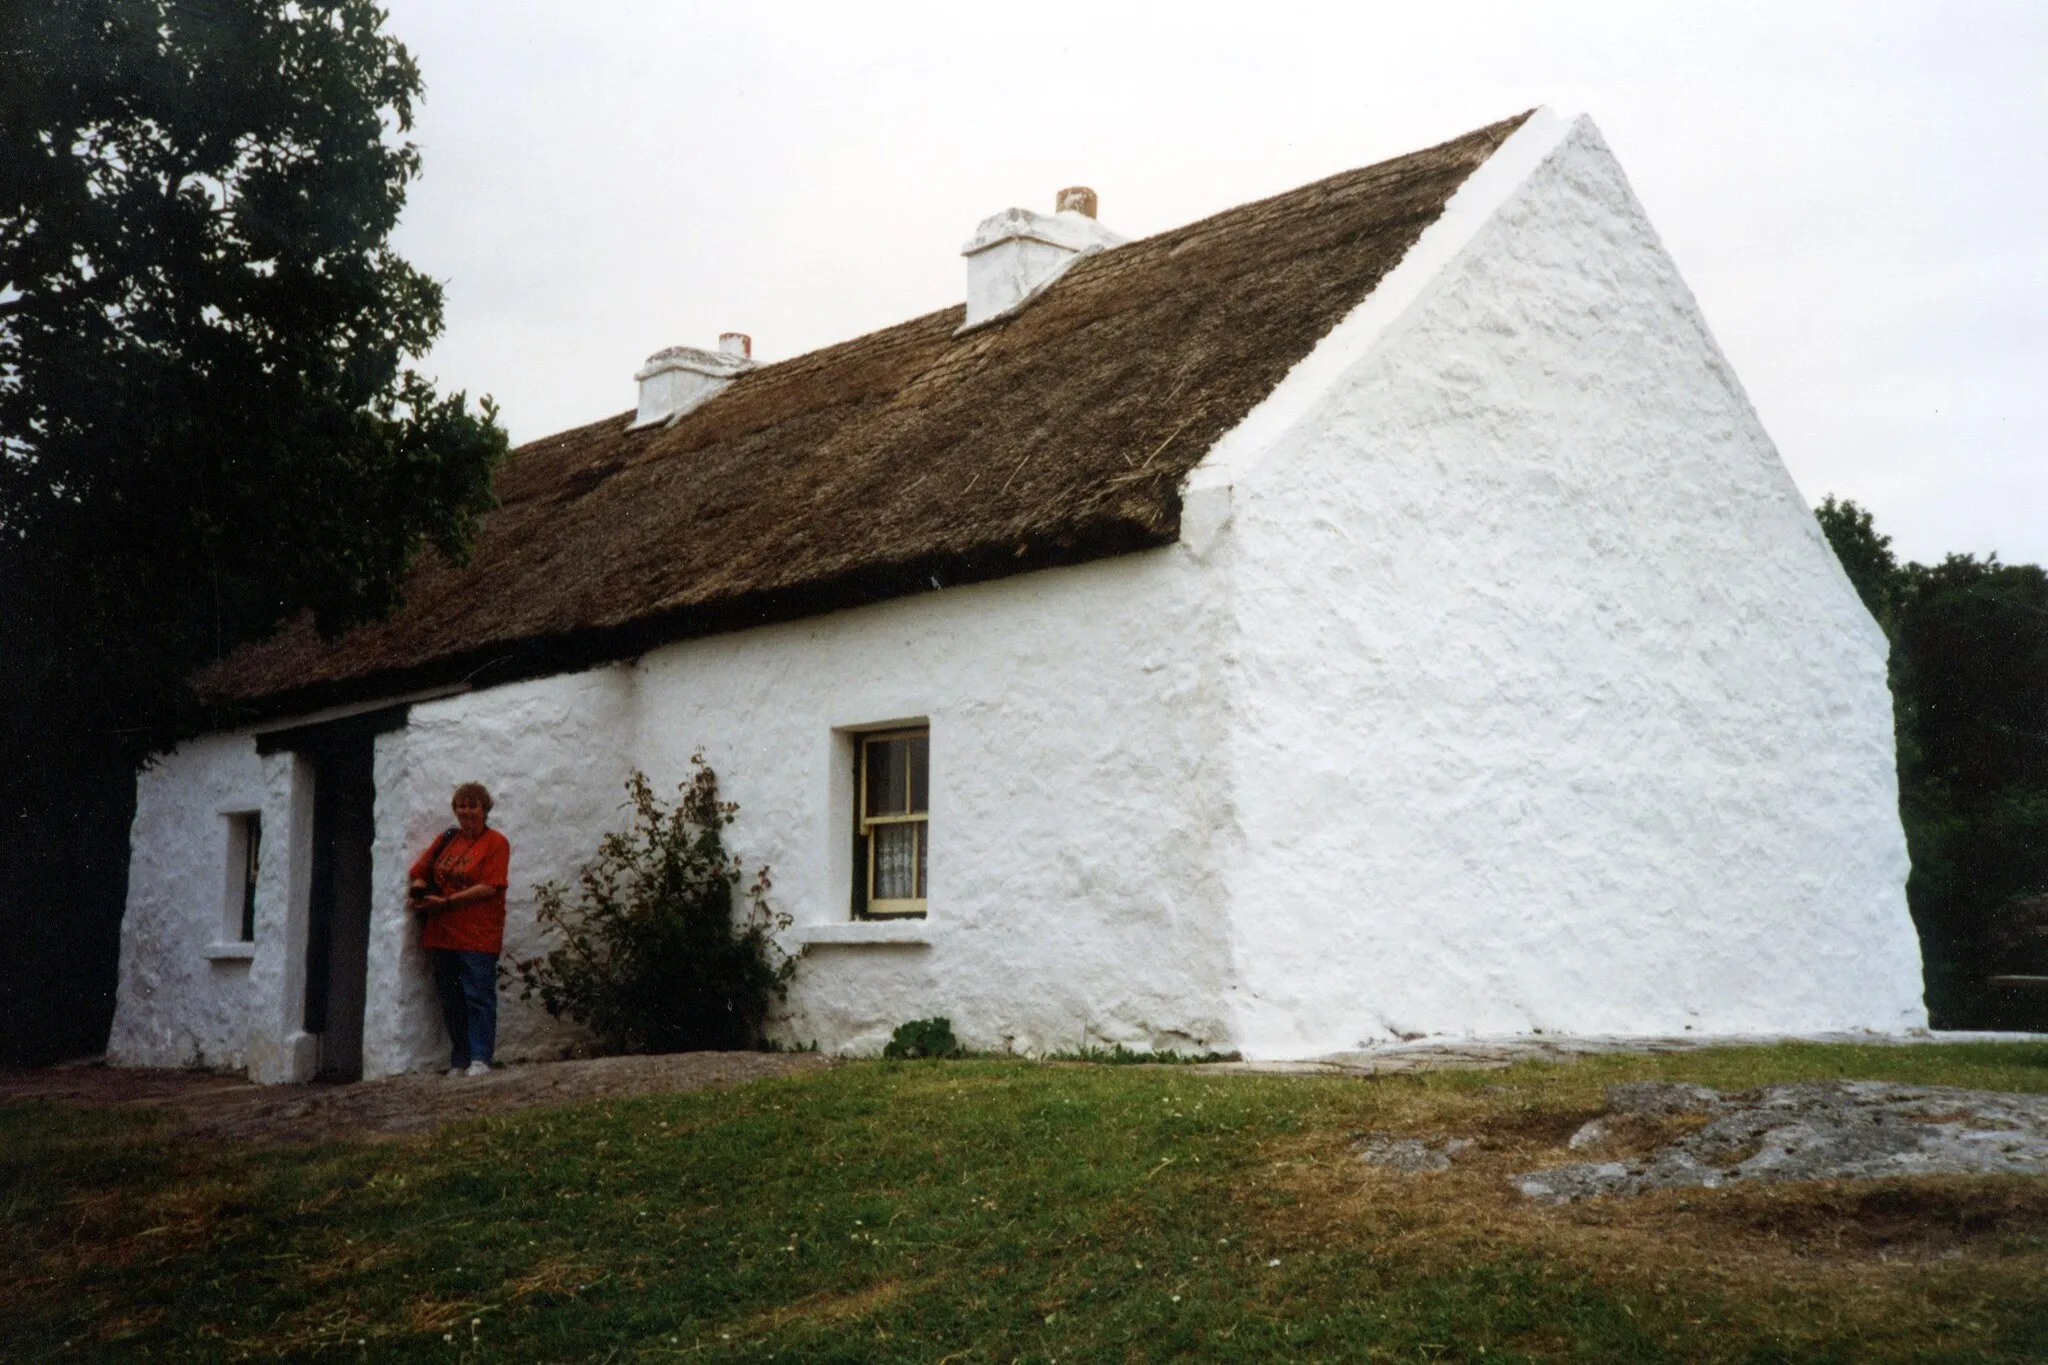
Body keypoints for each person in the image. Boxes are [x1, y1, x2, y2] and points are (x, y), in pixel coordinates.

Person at [409, 782, 511, 1077]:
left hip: (477, 935)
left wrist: (448, 901)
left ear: (484, 809)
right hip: (442, 932)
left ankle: (481, 1057)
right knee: (451, 998)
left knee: (477, 996)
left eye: (472, 805)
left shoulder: (496, 843)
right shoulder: (448, 838)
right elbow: (421, 871)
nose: (466, 811)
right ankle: (460, 1058)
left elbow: (489, 886)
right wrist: (419, 891)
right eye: (461, 805)